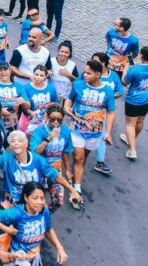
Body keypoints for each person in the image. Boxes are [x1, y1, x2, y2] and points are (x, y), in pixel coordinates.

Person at [0, 131, 81, 210]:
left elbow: (56, 176)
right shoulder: (6, 158)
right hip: (12, 203)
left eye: (20, 141)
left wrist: (73, 190)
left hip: (32, 203)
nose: (16, 143)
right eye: (13, 141)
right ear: (10, 146)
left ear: (26, 144)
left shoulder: (38, 160)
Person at [63, 60, 114, 206]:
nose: (84, 75)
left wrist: (108, 132)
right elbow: (69, 99)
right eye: (84, 72)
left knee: (83, 159)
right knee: (78, 158)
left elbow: (111, 113)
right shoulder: (78, 85)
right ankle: (76, 190)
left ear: (98, 75)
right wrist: (67, 107)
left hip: (94, 132)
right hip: (77, 129)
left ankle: (75, 178)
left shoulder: (107, 91)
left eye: (88, 73)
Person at [0, 182, 69, 265]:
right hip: (17, 258)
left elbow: (48, 229)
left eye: (42, 198)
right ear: (26, 198)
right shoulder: (17, 213)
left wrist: (59, 247)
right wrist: (7, 229)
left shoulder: (44, 211)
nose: (39, 202)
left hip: (34, 256)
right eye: (35, 198)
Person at [29, 103, 73, 211]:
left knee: (58, 200)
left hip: (55, 168)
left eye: (59, 120)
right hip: (39, 168)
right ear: (47, 117)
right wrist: (49, 138)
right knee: (34, 199)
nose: (56, 122)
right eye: (53, 119)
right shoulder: (39, 132)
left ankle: (46, 213)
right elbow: (35, 152)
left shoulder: (66, 131)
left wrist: (67, 170)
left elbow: (66, 152)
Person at [120, 46, 148, 161]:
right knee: (140, 121)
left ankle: (132, 150)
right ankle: (132, 139)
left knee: (130, 124)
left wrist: (125, 71)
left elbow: (124, 82)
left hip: (134, 100)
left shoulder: (135, 70)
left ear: (141, 56)